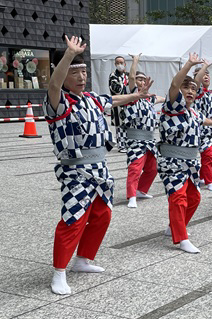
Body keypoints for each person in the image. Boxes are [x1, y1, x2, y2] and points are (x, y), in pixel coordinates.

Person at [44, 36, 153, 295]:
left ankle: (83, 260)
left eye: (83, 71)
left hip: (100, 169)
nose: (81, 77)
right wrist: (68, 56)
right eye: (74, 72)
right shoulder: (57, 101)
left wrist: (137, 94)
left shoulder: (91, 98)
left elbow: (113, 100)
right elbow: (54, 84)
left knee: (102, 215)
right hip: (75, 170)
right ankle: (58, 272)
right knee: (73, 219)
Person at [158, 54, 207, 254]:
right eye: (186, 88)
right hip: (172, 162)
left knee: (194, 198)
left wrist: (203, 68)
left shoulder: (193, 113)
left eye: (193, 89)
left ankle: (175, 227)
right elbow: (174, 84)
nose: (190, 91)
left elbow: (206, 121)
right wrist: (189, 65)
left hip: (190, 162)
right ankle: (181, 237)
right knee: (178, 198)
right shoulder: (173, 107)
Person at [122, 53, 165, 209]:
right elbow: (131, 78)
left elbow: (162, 98)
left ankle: (140, 190)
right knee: (135, 168)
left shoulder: (149, 99)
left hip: (149, 140)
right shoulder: (132, 96)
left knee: (152, 168)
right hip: (135, 140)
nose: (141, 81)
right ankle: (131, 196)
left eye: (143, 79)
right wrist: (135, 61)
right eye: (139, 79)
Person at [109, 55, 128, 153]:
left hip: (128, 104)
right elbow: (117, 90)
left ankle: (127, 143)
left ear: (125, 64)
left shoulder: (127, 75)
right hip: (118, 104)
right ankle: (121, 145)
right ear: (115, 64)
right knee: (120, 125)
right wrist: (126, 87)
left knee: (128, 124)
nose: (120, 65)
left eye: (121, 63)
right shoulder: (113, 76)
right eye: (118, 63)